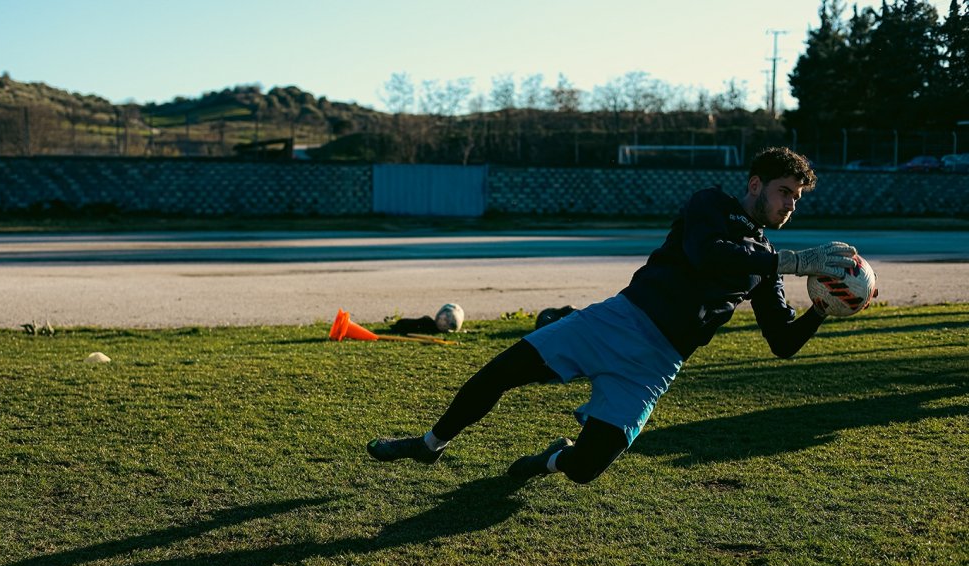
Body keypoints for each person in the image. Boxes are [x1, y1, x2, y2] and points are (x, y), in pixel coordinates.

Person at [367, 146, 857, 484]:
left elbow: (783, 342)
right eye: (784, 191)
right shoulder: (712, 205)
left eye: (797, 196)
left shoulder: (766, 264)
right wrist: (794, 262)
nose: (791, 204)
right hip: (615, 321)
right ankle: (429, 444)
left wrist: (820, 307)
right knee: (501, 372)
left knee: (585, 469)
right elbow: (710, 253)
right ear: (756, 184)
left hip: (655, 364)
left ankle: (553, 459)